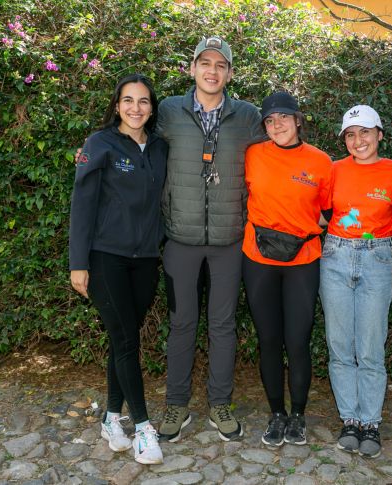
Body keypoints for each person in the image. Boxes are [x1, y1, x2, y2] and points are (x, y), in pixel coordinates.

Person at [155, 36, 264, 442]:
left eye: (221, 65)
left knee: (222, 325)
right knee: (181, 324)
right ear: (192, 68)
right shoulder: (168, 110)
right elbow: (133, 138)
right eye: (205, 62)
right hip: (180, 240)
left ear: (230, 74)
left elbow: (277, 157)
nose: (212, 71)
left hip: (229, 240)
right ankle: (176, 406)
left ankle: (220, 403)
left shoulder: (249, 116)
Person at [69, 73, 167, 465]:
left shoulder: (160, 147)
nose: (135, 108)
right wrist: (78, 263)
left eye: (143, 101)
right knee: (126, 341)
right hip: (105, 258)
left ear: (152, 108)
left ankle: (111, 418)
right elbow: (83, 205)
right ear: (116, 105)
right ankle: (142, 427)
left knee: (122, 338)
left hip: (145, 260)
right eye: (128, 100)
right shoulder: (100, 143)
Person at [242, 91, 332, 447]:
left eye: (283, 117)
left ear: (298, 120)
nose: (277, 124)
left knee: (297, 341)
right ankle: (276, 413)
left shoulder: (321, 162)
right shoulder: (251, 155)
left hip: (303, 261)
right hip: (258, 259)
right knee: (268, 340)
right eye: (269, 120)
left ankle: (298, 415)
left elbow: (329, 212)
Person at [319, 105, 392, 458]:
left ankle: (371, 422)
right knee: (340, 345)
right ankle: (349, 419)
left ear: (380, 135)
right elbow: (324, 213)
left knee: (371, 346)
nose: (359, 140)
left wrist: (372, 242)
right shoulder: (334, 170)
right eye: (351, 135)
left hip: (376, 259)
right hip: (336, 257)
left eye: (366, 132)